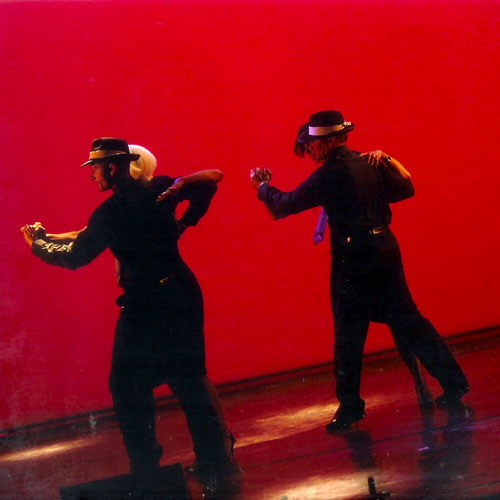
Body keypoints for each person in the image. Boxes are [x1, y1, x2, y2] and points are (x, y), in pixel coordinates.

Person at [21, 137, 239, 496]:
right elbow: (209, 182)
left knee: (126, 385)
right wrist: (185, 215)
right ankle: (217, 461)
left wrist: (38, 246)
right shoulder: (158, 189)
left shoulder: (110, 211)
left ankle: (146, 470)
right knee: (189, 379)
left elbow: (76, 256)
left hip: (145, 301)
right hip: (180, 292)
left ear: (111, 167)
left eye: (94, 168)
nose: (91, 175)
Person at [250, 110, 469, 432]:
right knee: (410, 322)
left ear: (330, 141)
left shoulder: (329, 174)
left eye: (313, 144)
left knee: (348, 334)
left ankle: (350, 407)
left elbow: (286, 203)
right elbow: (405, 189)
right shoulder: (369, 163)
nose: (309, 149)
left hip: (353, 257)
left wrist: (262, 187)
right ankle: (453, 383)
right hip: (384, 247)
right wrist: (386, 161)